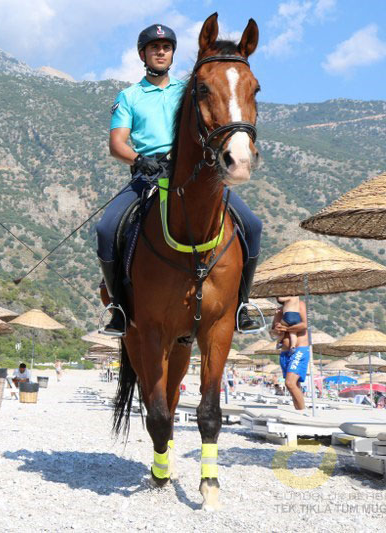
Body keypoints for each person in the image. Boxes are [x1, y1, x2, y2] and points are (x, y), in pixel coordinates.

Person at [95, 23, 262, 336]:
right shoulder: (129, 96)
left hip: (192, 174)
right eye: (154, 47)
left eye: (166, 47)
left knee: (252, 225)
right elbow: (117, 144)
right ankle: (117, 306)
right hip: (148, 175)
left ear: (172, 53)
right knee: (106, 229)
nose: (161, 51)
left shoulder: (191, 89)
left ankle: (241, 303)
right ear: (143, 54)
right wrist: (139, 160)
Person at [272, 298, 309, 410]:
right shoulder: (279, 311)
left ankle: (303, 412)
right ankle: (299, 412)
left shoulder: (300, 304)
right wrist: (277, 330)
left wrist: (286, 328)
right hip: (284, 352)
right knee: (295, 385)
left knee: (290, 383)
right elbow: (273, 333)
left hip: (299, 349)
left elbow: (304, 325)